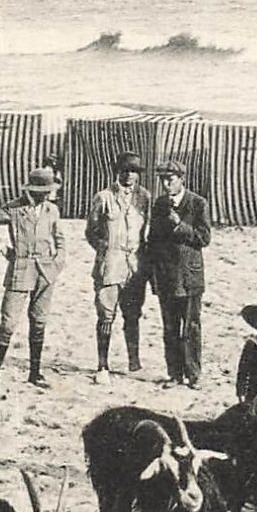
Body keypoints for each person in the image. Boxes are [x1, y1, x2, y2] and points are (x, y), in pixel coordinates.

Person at [0, 165, 66, 388]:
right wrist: (1, 248)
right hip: (21, 269)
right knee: (8, 322)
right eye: (45, 190)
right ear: (33, 190)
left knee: (39, 321)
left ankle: (35, 374)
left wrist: (58, 262)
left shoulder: (51, 210)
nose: (48, 194)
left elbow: (60, 238)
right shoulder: (14, 209)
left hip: (46, 272)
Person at [84, 151, 151, 384]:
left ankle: (134, 363)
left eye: (134, 171)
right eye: (126, 170)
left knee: (132, 315)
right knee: (106, 315)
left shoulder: (144, 197)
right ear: (117, 172)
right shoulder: (103, 197)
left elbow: (145, 232)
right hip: (110, 265)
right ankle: (102, 365)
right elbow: (91, 232)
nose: (130, 175)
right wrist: (106, 250)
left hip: (134, 266)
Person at [147, 160, 211, 389]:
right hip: (166, 276)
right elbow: (152, 241)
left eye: (170, 179)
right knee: (170, 327)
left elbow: (204, 238)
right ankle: (174, 373)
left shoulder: (197, 203)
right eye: (162, 179)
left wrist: (180, 225)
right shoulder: (159, 204)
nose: (166, 184)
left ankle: (193, 375)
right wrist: (154, 277)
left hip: (189, 277)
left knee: (191, 327)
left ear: (181, 179)